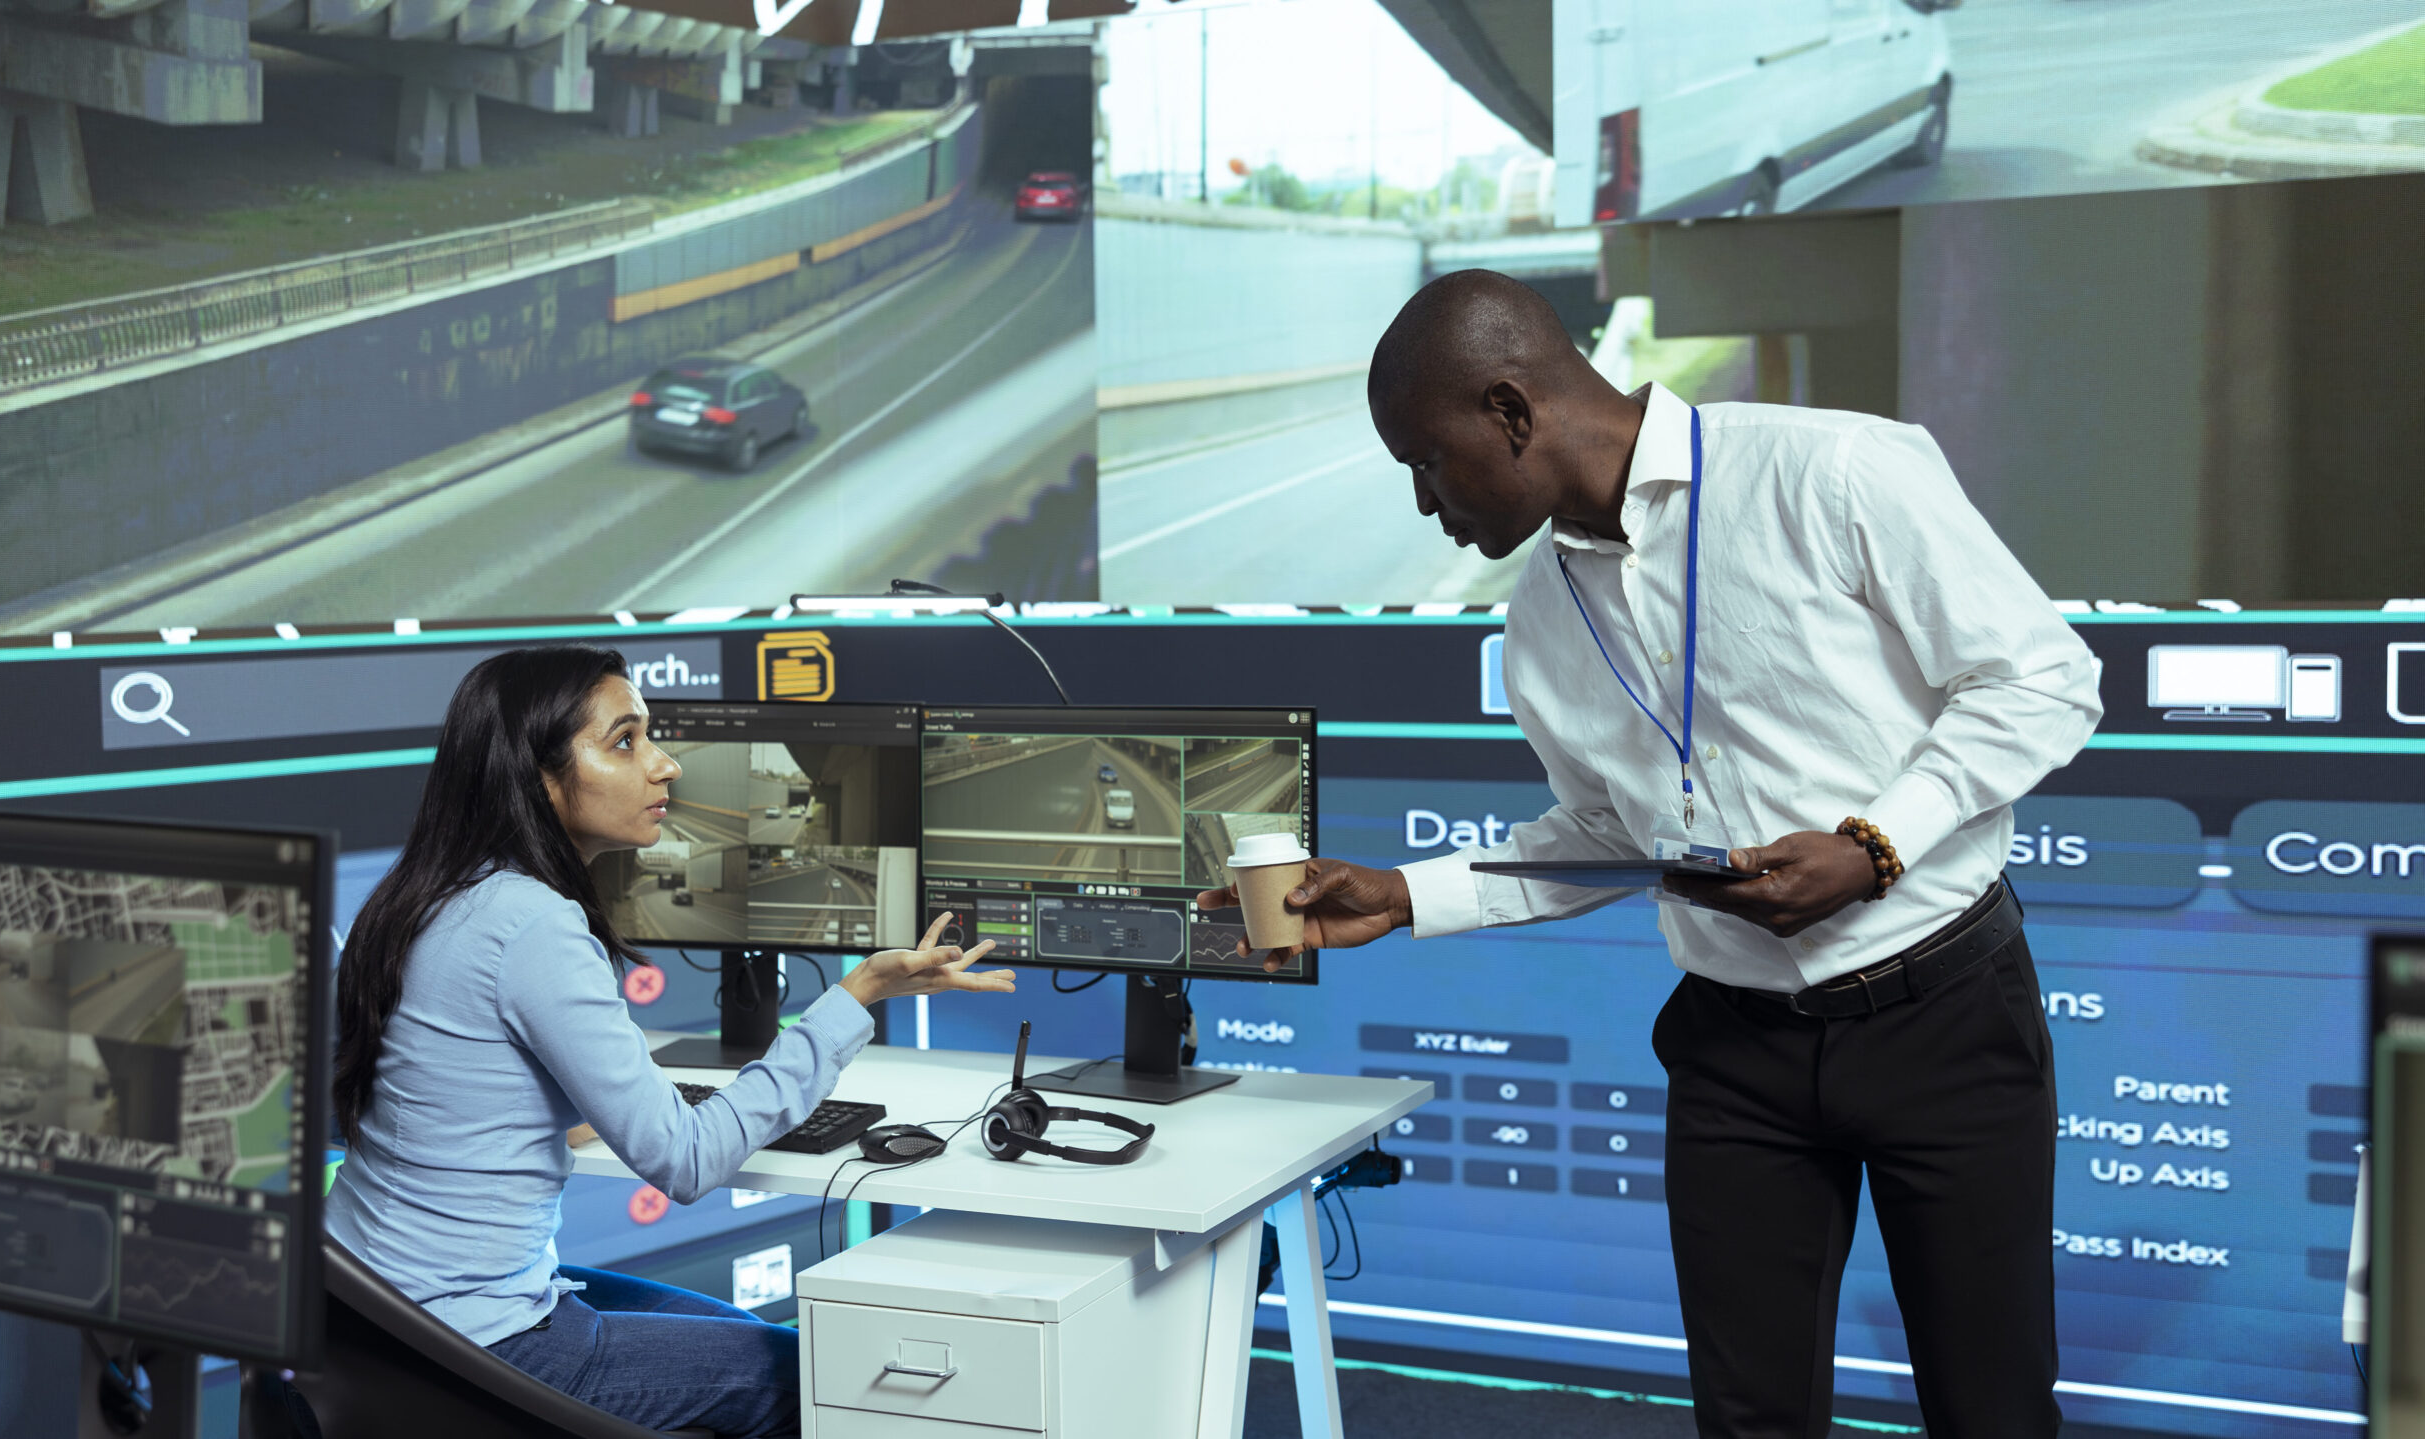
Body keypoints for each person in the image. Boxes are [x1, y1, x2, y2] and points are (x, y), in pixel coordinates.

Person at [1199, 271, 2101, 1438]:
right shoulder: (1538, 620)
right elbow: (1605, 836)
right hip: (1736, 1050)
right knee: (1745, 1421)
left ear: (1511, 410)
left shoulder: (1832, 470)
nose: (1427, 506)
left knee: (1991, 1410)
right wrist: (1403, 894)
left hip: (1942, 1014)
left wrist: (1872, 847)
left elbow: (2041, 679)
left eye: (1426, 461)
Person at [326, 645, 1014, 1437]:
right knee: (805, 1376)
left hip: (369, 1318)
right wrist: (855, 996)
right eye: (626, 741)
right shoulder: (532, 925)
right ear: (538, 773)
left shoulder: (429, 894)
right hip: (473, 1340)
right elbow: (685, 1160)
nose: (666, 766)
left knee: (738, 1326)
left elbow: (479, 1095)